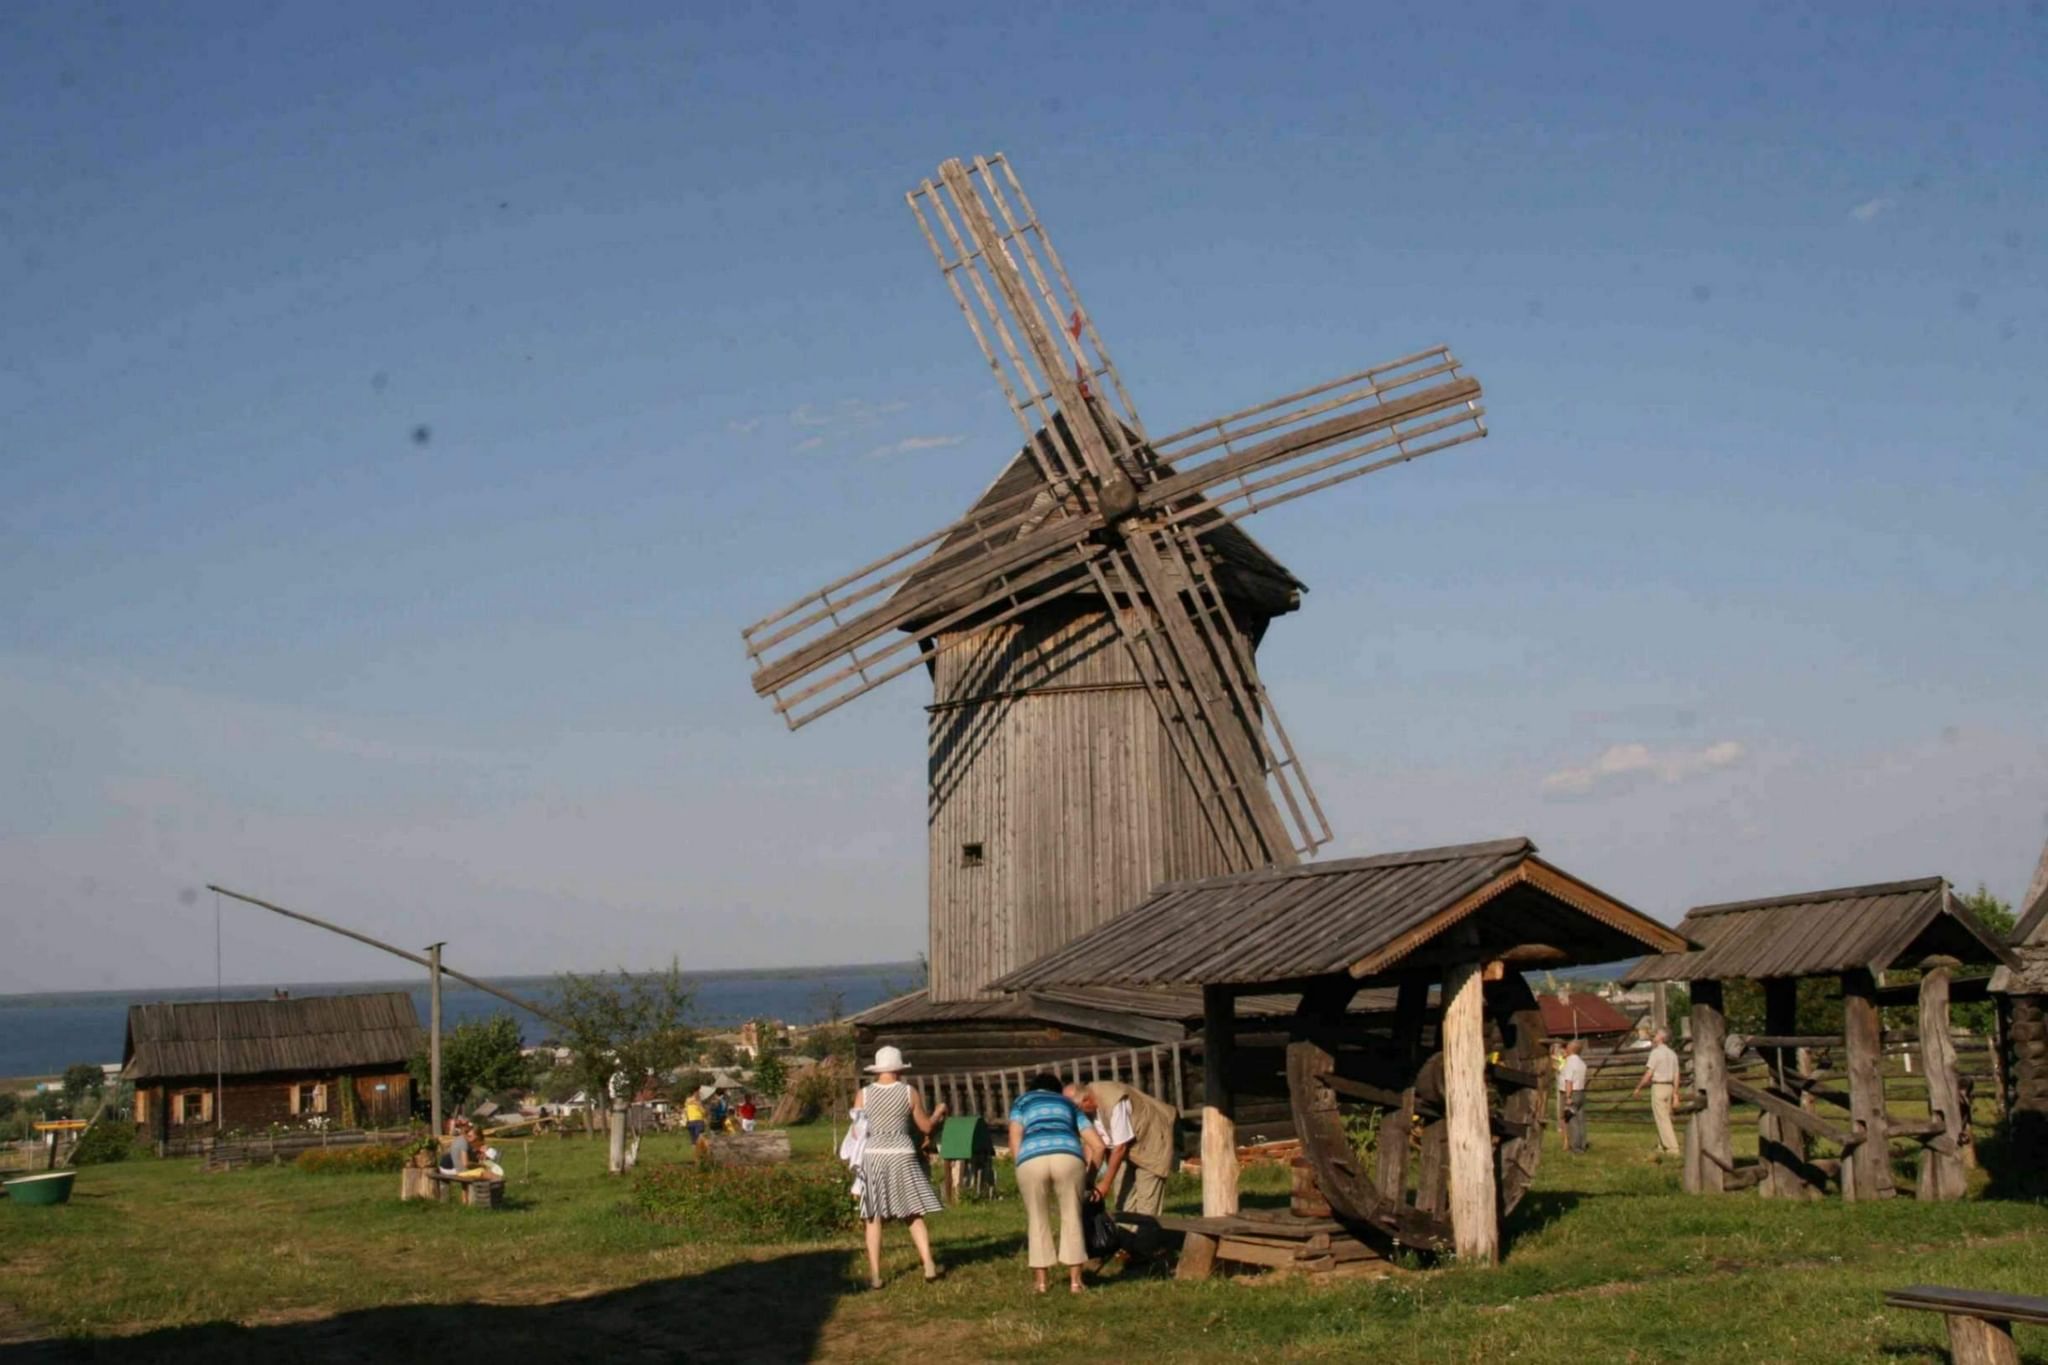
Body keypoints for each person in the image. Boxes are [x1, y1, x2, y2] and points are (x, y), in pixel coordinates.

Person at [853, 1046, 948, 1290]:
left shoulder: (863, 1094)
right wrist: (938, 1113)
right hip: (902, 1151)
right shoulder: (909, 1092)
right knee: (913, 1212)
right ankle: (928, 1263)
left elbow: (856, 1131)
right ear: (897, 1069)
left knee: (873, 1216)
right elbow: (926, 1127)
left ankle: (875, 1274)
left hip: (874, 1154)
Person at [1010, 1072, 1105, 1295]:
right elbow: (1098, 1146)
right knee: (1072, 1216)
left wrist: (1020, 1164)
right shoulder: (1068, 1103)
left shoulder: (1022, 1101)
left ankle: (1041, 1283)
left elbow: (1015, 1137)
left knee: (1037, 1218)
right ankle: (1075, 1283)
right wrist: (1089, 1178)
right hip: (1068, 1156)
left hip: (1031, 1157)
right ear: (1057, 1090)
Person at [1068, 1079, 1175, 1220]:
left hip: (1150, 1141)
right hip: (1124, 1150)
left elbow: (1120, 1147)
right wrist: (1089, 1182)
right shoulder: (1086, 1109)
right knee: (1123, 1202)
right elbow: (1095, 1147)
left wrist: (1105, 1184)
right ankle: (1126, 1240)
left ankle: (1147, 1240)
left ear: (1087, 1100)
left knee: (1146, 1207)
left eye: (1076, 1109)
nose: (1076, 1115)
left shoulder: (1114, 1101)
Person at [1630, 1028, 1682, 1155]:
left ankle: (1673, 1148)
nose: (1655, 1035)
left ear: (1662, 1038)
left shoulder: (1655, 1053)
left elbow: (1649, 1073)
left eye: (1657, 1034)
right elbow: (1676, 1075)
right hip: (1669, 1087)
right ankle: (1662, 1146)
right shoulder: (1672, 1054)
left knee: (1662, 1118)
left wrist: (1638, 1087)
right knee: (1665, 1117)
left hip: (1659, 1086)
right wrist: (1675, 1093)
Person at [1559, 1039, 1590, 1154]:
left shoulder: (1570, 1063)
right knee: (1581, 1120)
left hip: (1572, 1092)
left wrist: (1568, 1096)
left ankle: (1576, 1147)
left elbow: (1569, 1081)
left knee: (1572, 1120)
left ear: (1570, 1048)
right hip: (1581, 1092)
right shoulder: (1582, 1063)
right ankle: (1583, 1143)